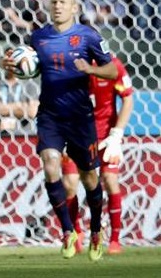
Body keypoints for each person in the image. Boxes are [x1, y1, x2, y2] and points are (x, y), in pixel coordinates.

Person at [1, 0, 117, 261]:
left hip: (80, 117)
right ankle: (67, 231)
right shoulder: (38, 37)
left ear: (74, 7)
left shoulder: (88, 36)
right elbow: (26, 64)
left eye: (63, 2)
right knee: (50, 164)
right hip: (50, 115)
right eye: (54, 2)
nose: (58, 6)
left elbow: (112, 70)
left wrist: (90, 69)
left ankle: (97, 230)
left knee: (90, 178)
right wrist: (9, 64)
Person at [62, 53, 133, 255]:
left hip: (106, 136)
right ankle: (76, 232)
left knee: (110, 179)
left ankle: (115, 239)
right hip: (77, 134)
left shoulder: (112, 65)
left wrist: (117, 135)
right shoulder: (70, 65)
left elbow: (128, 100)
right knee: (69, 183)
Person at [0, 47, 40, 136]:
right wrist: (20, 106)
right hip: (0, 135)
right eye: (8, 58)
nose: (10, 62)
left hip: (24, 135)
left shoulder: (30, 85)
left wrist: (2, 108)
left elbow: (32, 112)